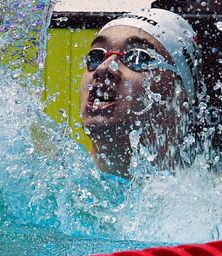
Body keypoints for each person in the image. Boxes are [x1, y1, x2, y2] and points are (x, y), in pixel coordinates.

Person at [79, 8, 202, 178]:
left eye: (138, 57)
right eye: (96, 56)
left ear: (179, 98)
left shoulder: (213, 199)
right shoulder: (46, 181)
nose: (103, 67)